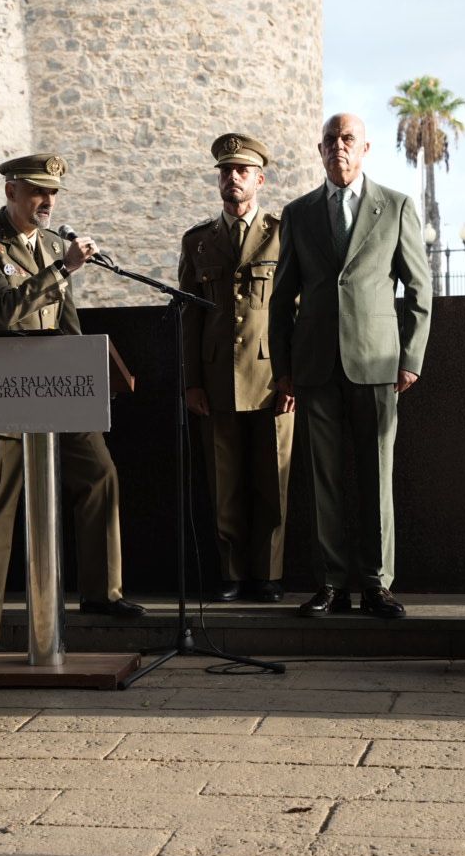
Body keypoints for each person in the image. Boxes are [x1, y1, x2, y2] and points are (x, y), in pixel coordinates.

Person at [0, 153, 145, 655]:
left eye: (54, 193)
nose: (48, 201)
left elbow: (66, 317)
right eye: (38, 191)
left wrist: (91, 376)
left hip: (57, 384)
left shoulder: (52, 244)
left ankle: (103, 593)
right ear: (11, 191)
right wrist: (62, 268)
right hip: (0, 386)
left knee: (99, 472)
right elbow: (4, 310)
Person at [270, 113, 433, 620]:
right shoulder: (298, 214)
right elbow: (281, 300)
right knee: (324, 481)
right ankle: (332, 584)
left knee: (376, 477)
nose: (338, 148)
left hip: (378, 364)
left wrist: (410, 358)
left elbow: (419, 289)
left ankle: (377, 585)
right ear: (319, 151)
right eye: (329, 141)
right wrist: (284, 369)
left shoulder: (397, 206)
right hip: (316, 367)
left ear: (365, 148)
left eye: (347, 140)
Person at [178, 133, 295, 603]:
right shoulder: (198, 241)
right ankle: (230, 572)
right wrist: (190, 381)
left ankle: (267, 574)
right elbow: (189, 314)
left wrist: (294, 377)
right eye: (225, 171)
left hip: (272, 378)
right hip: (217, 375)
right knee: (223, 479)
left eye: (241, 171)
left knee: (274, 481)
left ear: (259, 179)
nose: (232, 178)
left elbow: (296, 311)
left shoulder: (283, 232)